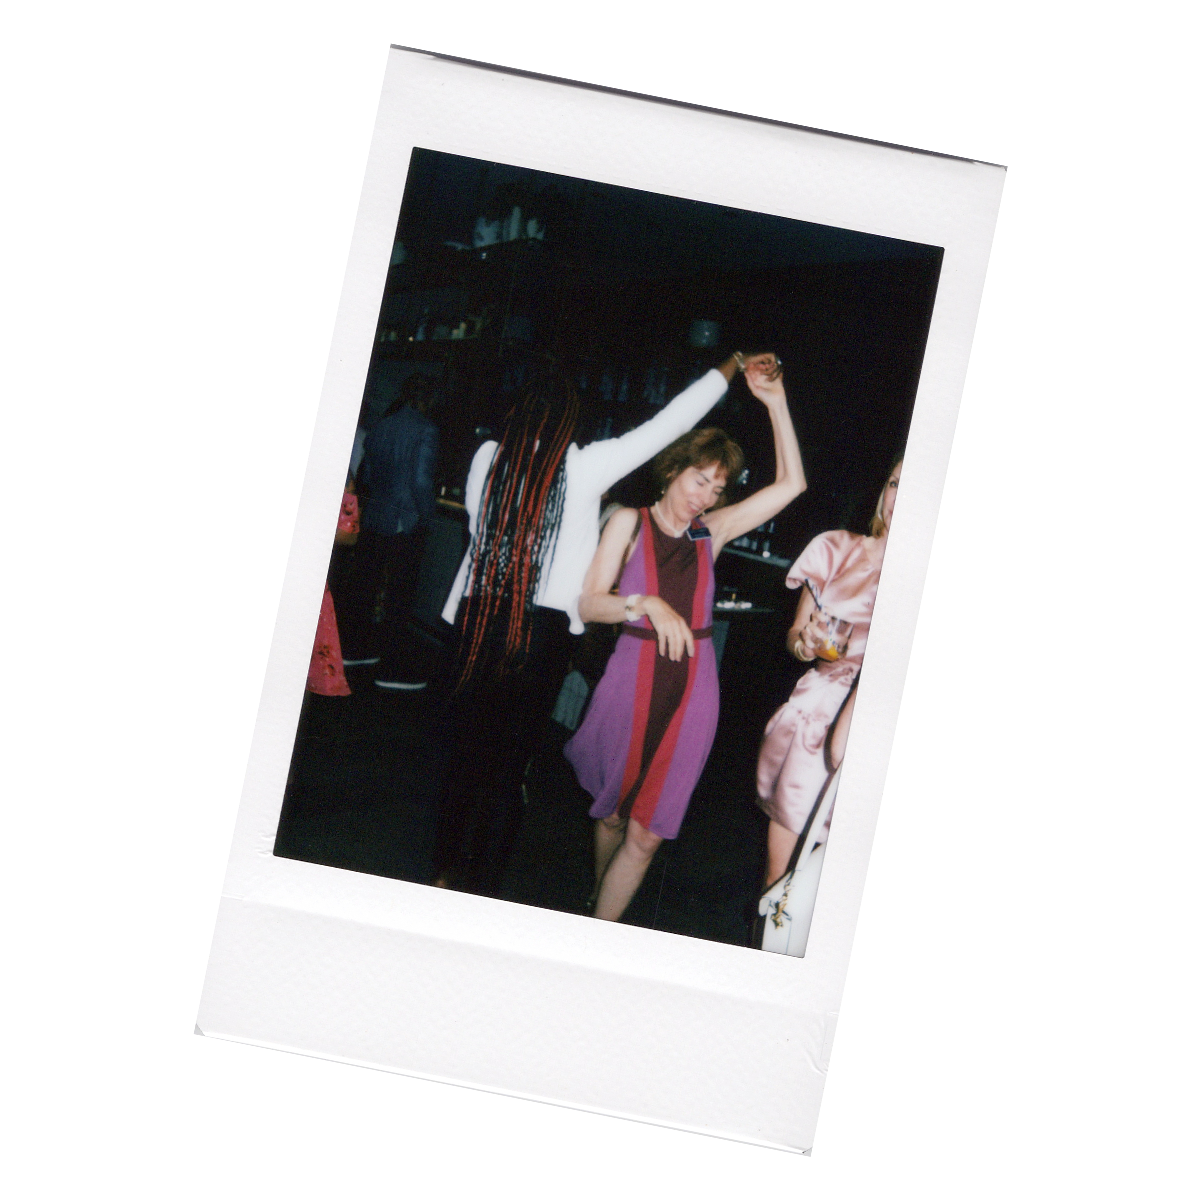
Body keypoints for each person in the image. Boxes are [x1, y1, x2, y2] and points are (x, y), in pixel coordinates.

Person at [434, 352, 773, 896]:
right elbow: (672, 423)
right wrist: (730, 366)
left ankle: (446, 871)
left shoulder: (485, 459)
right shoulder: (586, 466)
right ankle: (482, 882)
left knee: (466, 754)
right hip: (539, 630)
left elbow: (481, 534)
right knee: (510, 762)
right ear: (573, 427)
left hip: (478, 618)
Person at [565, 356, 807, 923]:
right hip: (631, 679)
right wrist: (644, 603)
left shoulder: (711, 532)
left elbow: (793, 484)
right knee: (612, 818)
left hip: (694, 689)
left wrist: (774, 402)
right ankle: (598, 895)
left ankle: (597, 931)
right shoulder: (628, 521)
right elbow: (588, 603)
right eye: (701, 479)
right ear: (674, 469)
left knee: (647, 836)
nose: (706, 496)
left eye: (718, 487)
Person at [754, 455, 903, 900]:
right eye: (896, 483)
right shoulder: (837, 549)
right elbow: (797, 638)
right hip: (820, 719)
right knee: (781, 886)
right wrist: (807, 641)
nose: (901, 497)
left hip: (883, 728)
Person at [340, 373, 439, 682]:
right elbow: (421, 482)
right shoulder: (426, 430)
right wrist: (426, 516)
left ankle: (354, 651)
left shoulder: (381, 427)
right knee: (400, 595)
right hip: (403, 523)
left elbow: (367, 476)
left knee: (365, 588)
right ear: (427, 399)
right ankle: (391, 668)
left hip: (375, 519)